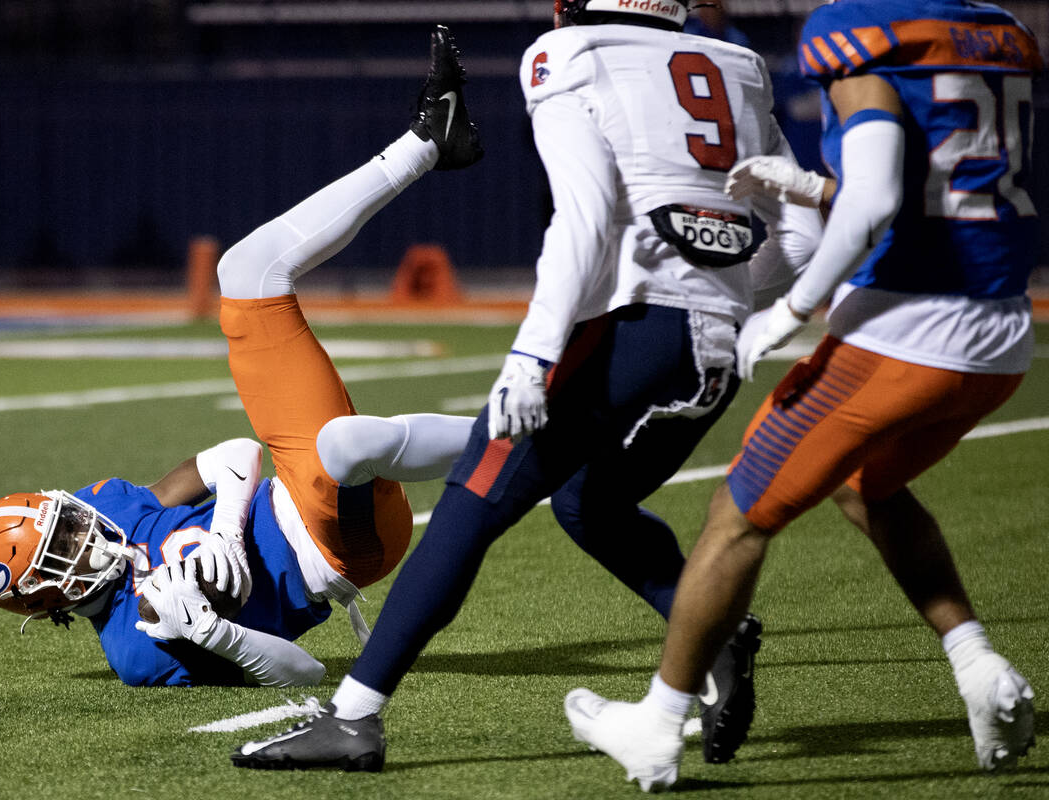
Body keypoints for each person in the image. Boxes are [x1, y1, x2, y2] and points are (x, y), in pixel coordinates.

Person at [230, 0, 822, 772]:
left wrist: (533, 356)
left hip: (632, 330)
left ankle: (354, 719)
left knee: (474, 496)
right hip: (711, 346)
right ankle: (709, 633)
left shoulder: (569, 53)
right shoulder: (738, 66)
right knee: (589, 503)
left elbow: (581, 220)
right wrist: (717, 293)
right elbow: (800, 239)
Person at [565, 0, 1041, 789]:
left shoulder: (859, 25)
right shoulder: (996, 27)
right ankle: (977, 666)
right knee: (866, 486)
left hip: (907, 328)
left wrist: (791, 307)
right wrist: (816, 189)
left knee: (737, 516)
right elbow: (945, 186)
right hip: (1003, 334)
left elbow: (881, 196)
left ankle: (656, 724)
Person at [0, 27, 484, 688]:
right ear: (50, 594)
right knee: (347, 445)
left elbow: (234, 455)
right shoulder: (138, 649)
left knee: (248, 270)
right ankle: (533, 443)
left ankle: (428, 140)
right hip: (337, 547)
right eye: (60, 548)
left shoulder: (113, 509)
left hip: (291, 482)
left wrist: (227, 537)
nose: (78, 534)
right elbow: (305, 673)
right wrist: (217, 634)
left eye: (61, 523)